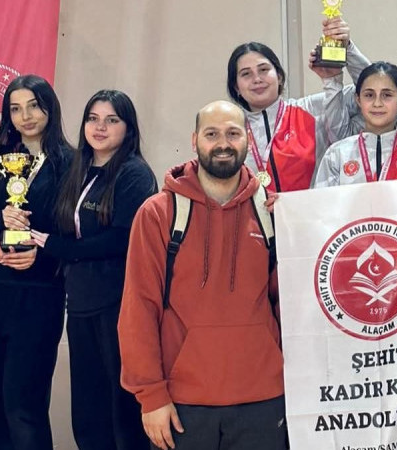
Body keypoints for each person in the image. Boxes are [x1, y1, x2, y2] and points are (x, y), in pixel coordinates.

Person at [118, 100, 284, 450]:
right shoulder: (158, 213)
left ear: (246, 139)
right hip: (182, 403)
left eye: (232, 133)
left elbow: (288, 305)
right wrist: (151, 396)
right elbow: (139, 309)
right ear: (195, 140)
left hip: (265, 399)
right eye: (212, 134)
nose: (222, 143)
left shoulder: (272, 211)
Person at [29, 90, 157, 449]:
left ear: (128, 128)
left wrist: (56, 247)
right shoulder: (78, 170)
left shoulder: (134, 174)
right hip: (81, 301)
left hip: (119, 304)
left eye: (111, 120)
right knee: (88, 411)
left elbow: (119, 241)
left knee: (123, 410)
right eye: (93, 118)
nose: (100, 127)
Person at [0, 74, 72, 449]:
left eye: (34, 106)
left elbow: (76, 230)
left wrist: (44, 253)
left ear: (49, 106)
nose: (26, 116)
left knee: (23, 406)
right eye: (16, 109)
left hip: (39, 296)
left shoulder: (73, 163)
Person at [228, 19, 368, 193]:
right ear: (236, 87)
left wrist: (348, 49)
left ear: (279, 76)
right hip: (253, 219)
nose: (257, 79)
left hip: (311, 216)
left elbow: (372, 89)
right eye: (246, 74)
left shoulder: (313, 108)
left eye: (264, 70)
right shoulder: (230, 129)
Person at [314, 62, 397, 187]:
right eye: (369, 95)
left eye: (387, 95)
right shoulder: (337, 154)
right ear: (358, 100)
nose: (377, 103)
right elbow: (324, 204)